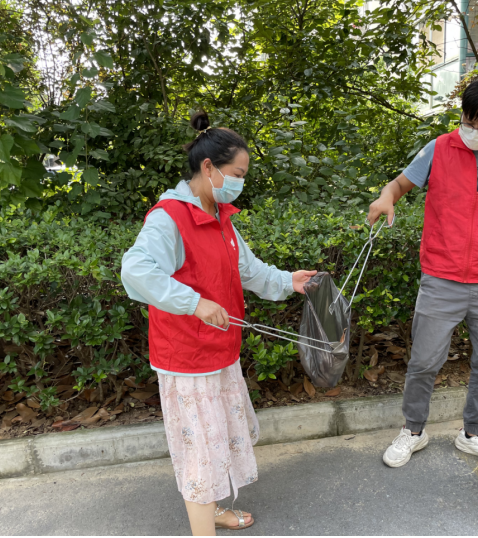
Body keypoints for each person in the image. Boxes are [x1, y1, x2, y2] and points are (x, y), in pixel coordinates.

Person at [121, 111, 316, 535]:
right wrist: (193, 303)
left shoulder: (221, 214)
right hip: (187, 360)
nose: (240, 181)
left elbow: (249, 271)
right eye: (237, 173)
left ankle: (212, 511)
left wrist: (290, 281)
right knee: (200, 453)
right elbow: (135, 272)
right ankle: (203, 529)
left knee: (219, 439)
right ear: (208, 168)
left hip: (220, 352)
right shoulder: (169, 217)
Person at [367, 75, 478, 467]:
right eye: (468, 120)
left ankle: (473, 432)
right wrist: (385, 199)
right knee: (424, 361)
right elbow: (397, 185)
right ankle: (413, 430)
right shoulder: (439, 148)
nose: (473, 130)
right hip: (441, 277)